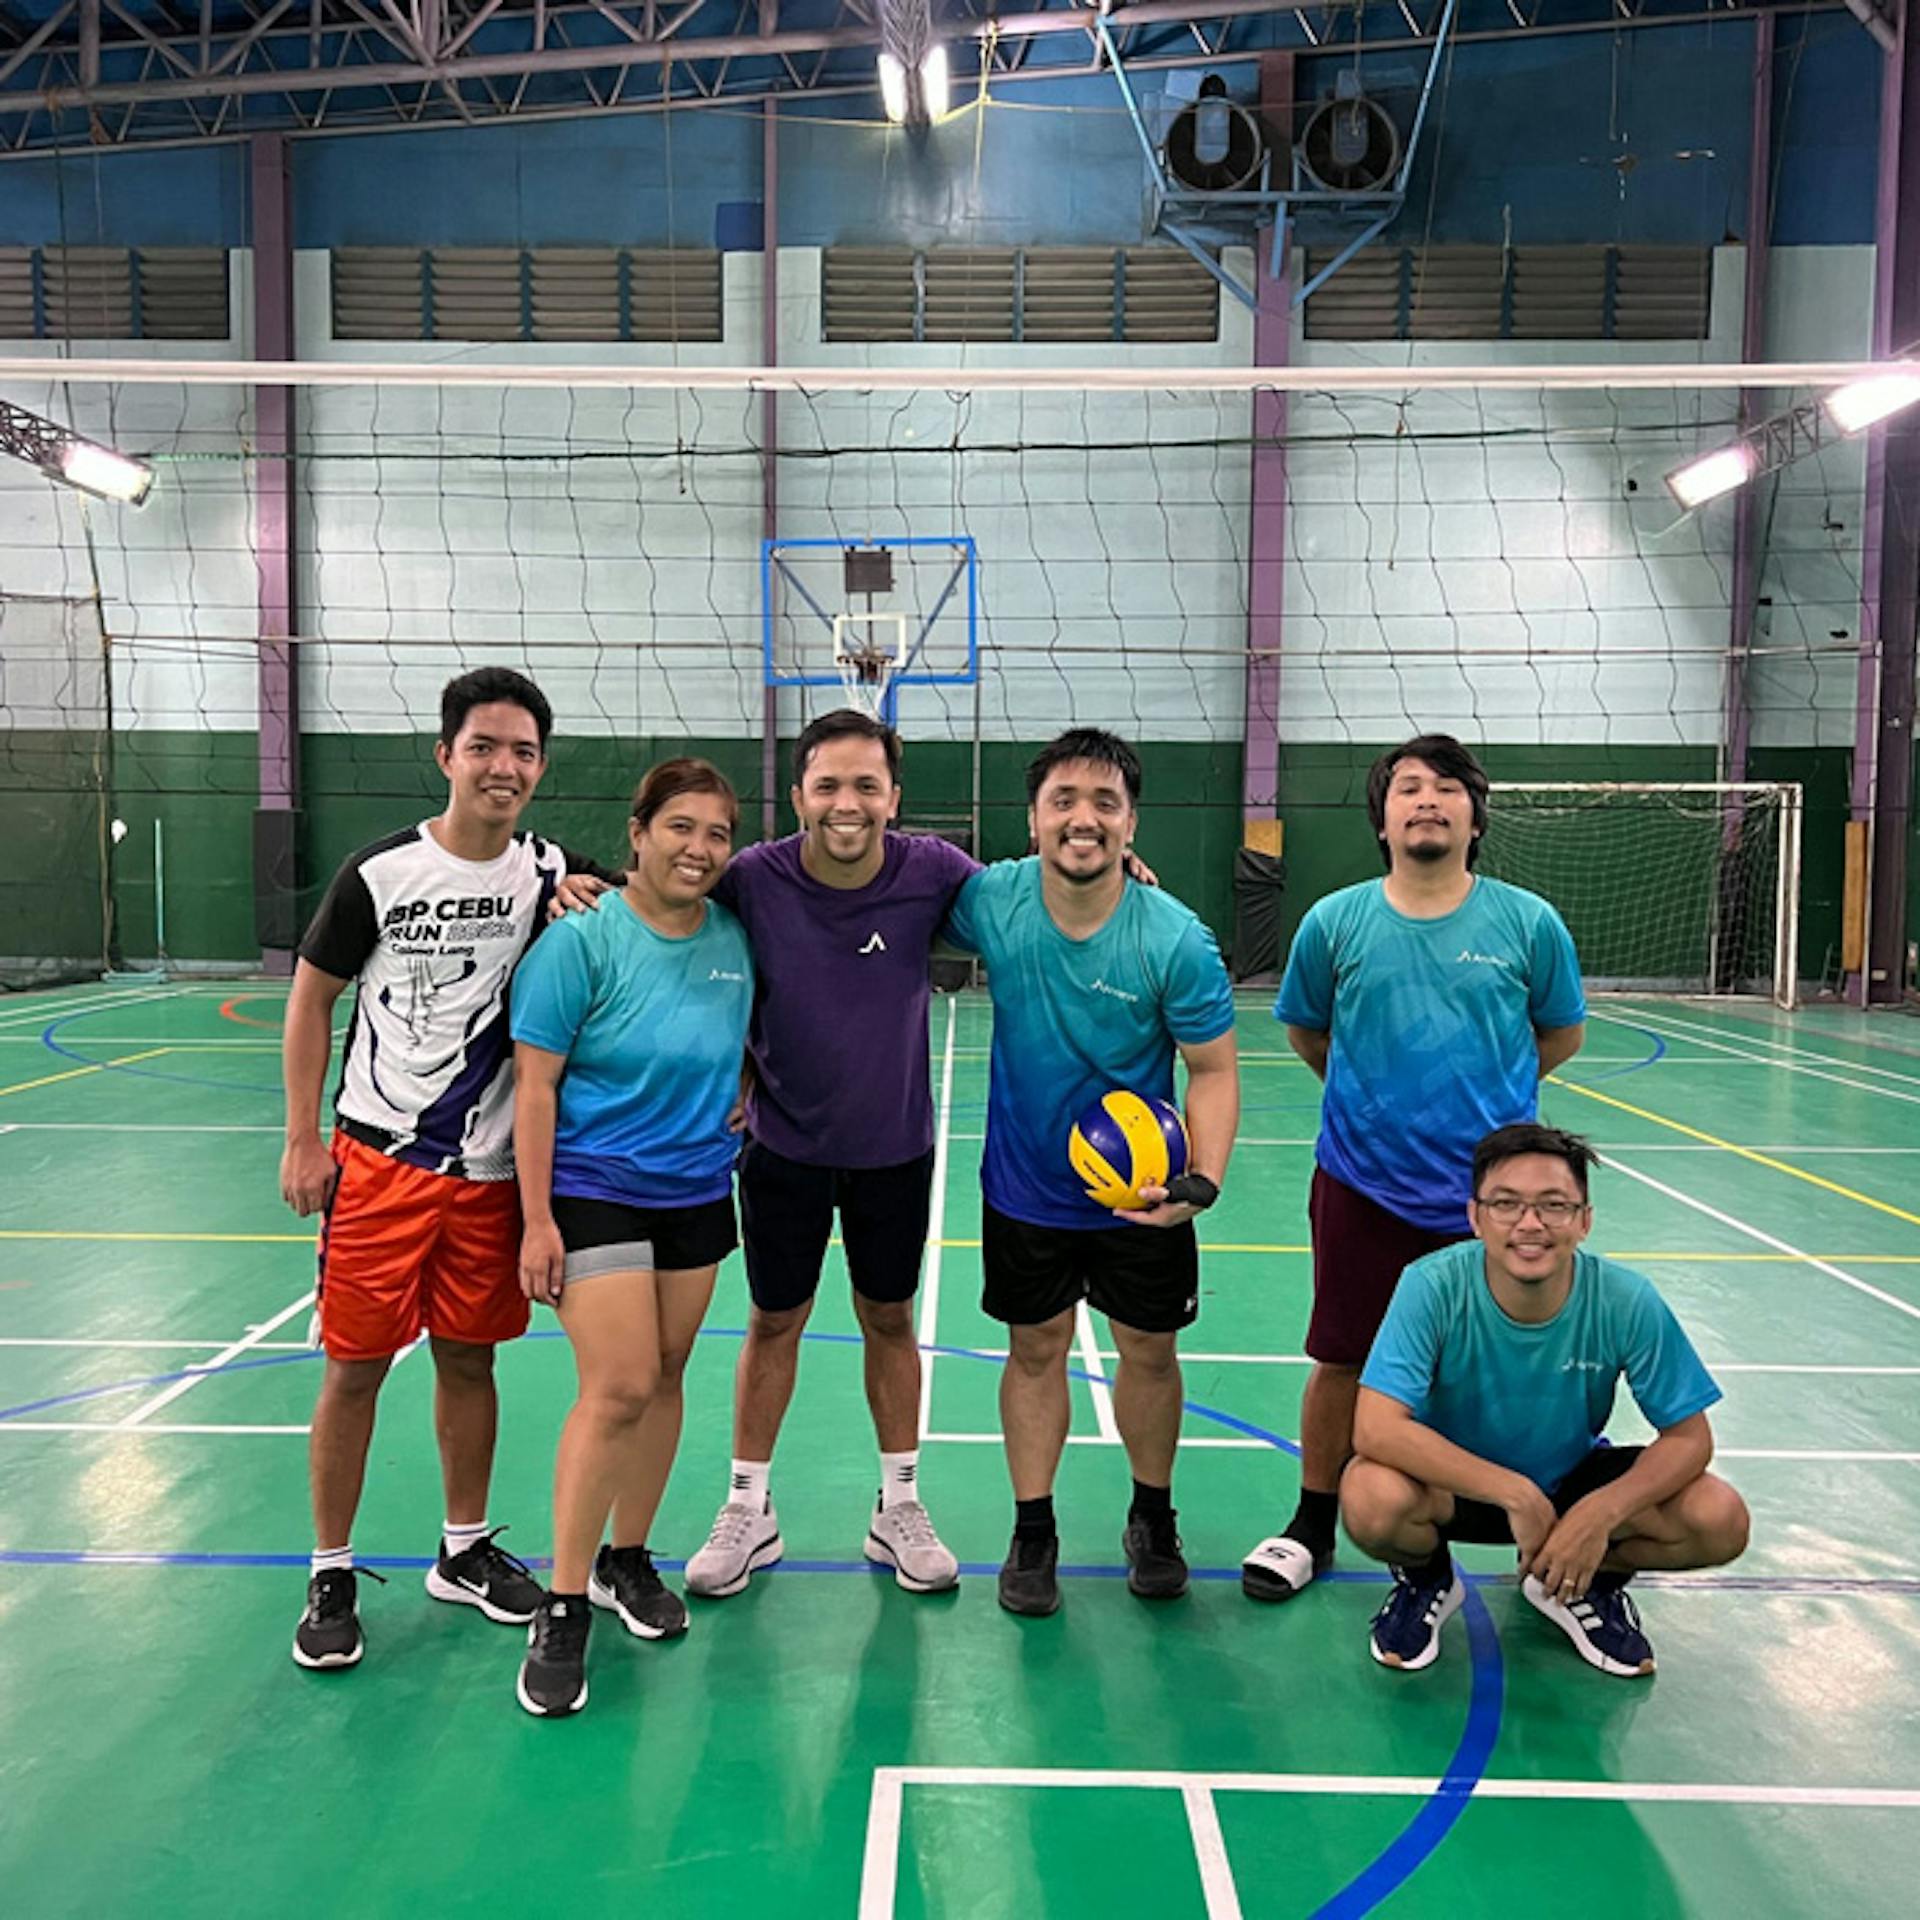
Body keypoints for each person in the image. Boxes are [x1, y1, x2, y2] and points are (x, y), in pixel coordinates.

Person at [279, 667, 615, 1672]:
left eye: (521, 751)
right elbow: (309, 1003)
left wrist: (591, 894)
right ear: (446, 756)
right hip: (379, 1162)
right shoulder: (379, 874)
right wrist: (303, 1137)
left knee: (472, 1357)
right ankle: (330, 1568)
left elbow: (667, 891)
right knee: (355, 1367)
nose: (503, 766)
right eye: (484, 747)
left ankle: (462, 1549)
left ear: (540, 767)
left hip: (491, 1173)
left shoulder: (552, 869)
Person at [1241, 734, 1587, 1604]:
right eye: (1407, 788)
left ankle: (1542, 1529)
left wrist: (1489, 1109)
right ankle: (1312, 1526)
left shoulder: (1528, 922)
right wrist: (1379, 1101)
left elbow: (1560, 1034)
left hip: (1494, 1203)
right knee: (1342, 1358)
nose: (1426, 799)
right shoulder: (1335, 921)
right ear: (1382, 818)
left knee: (1505, 1365)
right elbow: (1309, 1032)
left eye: (1447, 787)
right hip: (1363, 1183)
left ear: (1475, 816)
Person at [943, 727, 1239, 1618]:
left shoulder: (1174, 937)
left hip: (1139, 1194)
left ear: (1130, 823)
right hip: (1026, 1187)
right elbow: (875, 888)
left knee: (1148, 1354)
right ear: (1032, 820)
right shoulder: (992, 900)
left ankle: (1153, 1517)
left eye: (1104, 803)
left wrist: (1203, 1182)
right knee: (1034, 1352)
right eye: (1064, 802)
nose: (1084, 818)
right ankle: (1033, 1531)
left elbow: (1215, 1071)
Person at [682, 710, 976, 1601]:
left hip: (893, 1149)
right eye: (828, 785)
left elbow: (1035, 896)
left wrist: (1121, 877)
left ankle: (898, 1506)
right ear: (800, 794)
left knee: (891, 1321)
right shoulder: (754, 880)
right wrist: (574, 887)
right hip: (782, 1149)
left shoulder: (933, 871)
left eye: (866, 785)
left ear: (894, 797)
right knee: (773, 1323)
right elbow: (666, 901)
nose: (847, 803)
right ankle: (748, 1509)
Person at [509, 759, 754, 1717]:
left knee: (667, 1372)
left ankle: (625, 1559)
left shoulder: (735, 937)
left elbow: (746, 1037)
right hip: (592, 1187)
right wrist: (535, 1220)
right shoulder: (581, 941)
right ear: (638, 832)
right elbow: (535, 1086)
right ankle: (563, 1602)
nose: (699, 849)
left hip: (695, 1185)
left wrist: (744, 1086)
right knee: (616, 1386)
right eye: (681, 828)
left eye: (717, 834)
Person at [1342, 1123, 1749, 1675]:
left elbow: (1689, 1437)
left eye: (1554, 1205)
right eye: (1506, 1204)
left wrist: (1600, 1514)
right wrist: (1515, 1494)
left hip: (1571, 1480)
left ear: (1584, 1220)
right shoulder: (1431, 1285)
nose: (1530, 1224)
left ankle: (1577, 1580)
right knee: (1370, 1495)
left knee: (1718, 1517)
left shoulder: (1625, 1298)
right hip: (1457, 1484)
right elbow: (1376, 1428)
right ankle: (1426, 1579)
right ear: (1475, 1217)